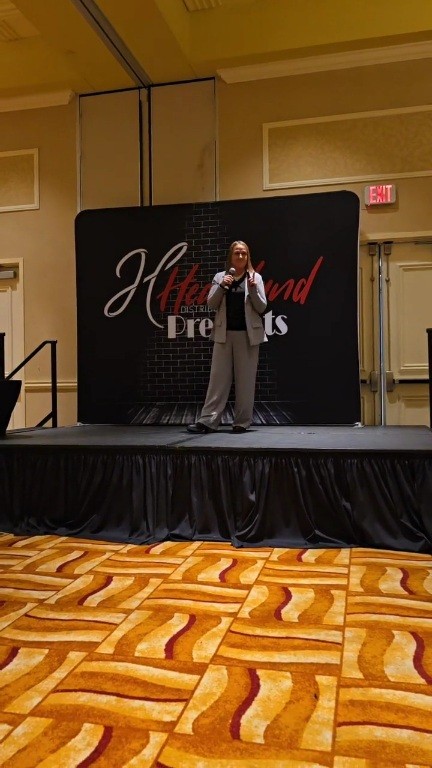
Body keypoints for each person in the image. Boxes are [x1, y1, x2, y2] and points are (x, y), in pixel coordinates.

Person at [187, 240, 267, 434]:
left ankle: (242, 422)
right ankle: (208, 421)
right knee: (218, 380)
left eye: (244, 253)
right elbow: (211, 304)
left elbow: (261, 307)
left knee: (245, 381)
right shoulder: (220, 277)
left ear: (248, 256)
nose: (240, 256)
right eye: (237, 253)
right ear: (230, 256)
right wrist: (222, 286)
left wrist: (253, 289)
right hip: (224, 334)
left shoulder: (255, 277)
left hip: (247, 336)